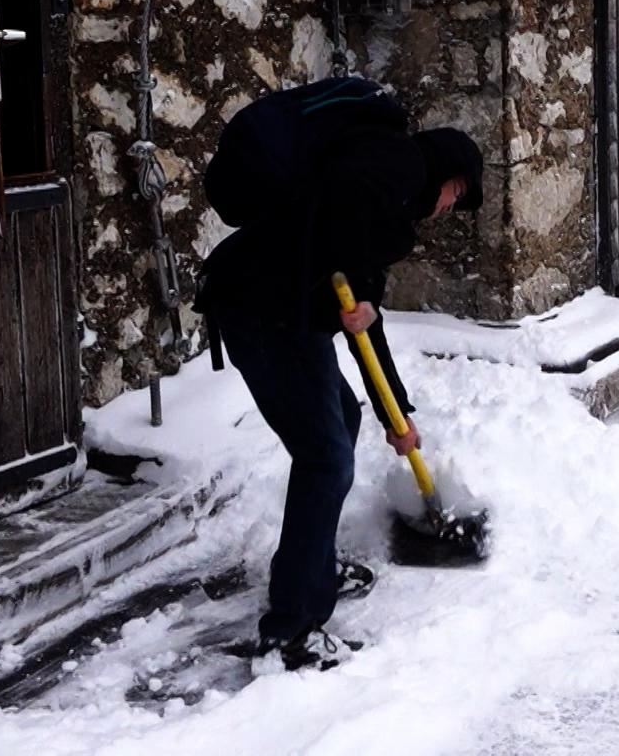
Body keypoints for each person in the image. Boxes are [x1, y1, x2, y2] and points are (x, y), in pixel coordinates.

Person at [198, 116, 484, 670]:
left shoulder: (390, 200)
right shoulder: (395, 171)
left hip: (289, 315)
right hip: (264, 315)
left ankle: (314, 568)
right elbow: (341, 234)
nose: (450, 206)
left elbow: (363, 319)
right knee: (325, 458)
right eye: (458, 192)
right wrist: (359, 287)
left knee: (343, 419)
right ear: (446, 173)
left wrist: (395, 411)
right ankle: (290, 630)